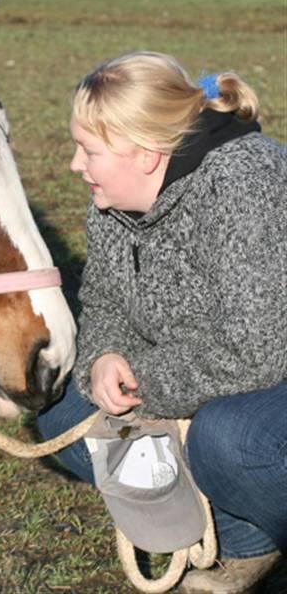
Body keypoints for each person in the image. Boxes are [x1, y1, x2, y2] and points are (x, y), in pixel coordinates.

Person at [37, 52, 286, 594]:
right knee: (60, 415)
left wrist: (142, 382)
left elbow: (259, 352)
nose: (76, 165)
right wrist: (103, 358)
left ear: (146, 154)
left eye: (89, 150)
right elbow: (101, 304)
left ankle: (248, 531)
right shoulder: (110, 199)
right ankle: (239, 535)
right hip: (194, 375)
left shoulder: (246, 182)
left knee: (230, 440)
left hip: (267, 383)